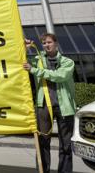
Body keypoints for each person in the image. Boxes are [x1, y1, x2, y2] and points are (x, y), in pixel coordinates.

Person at [23, 33, 76, 173]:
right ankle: (42, 170)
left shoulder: (68, 62)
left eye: (49, 42)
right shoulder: (37, 60)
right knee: (42, 142)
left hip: (65, 108)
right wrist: (25, 47)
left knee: (66, 145)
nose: (46, 45)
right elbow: (20, 61)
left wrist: (35, 71)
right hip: (44, 106)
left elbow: (60, 76)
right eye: (44, 43)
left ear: (56, 43)